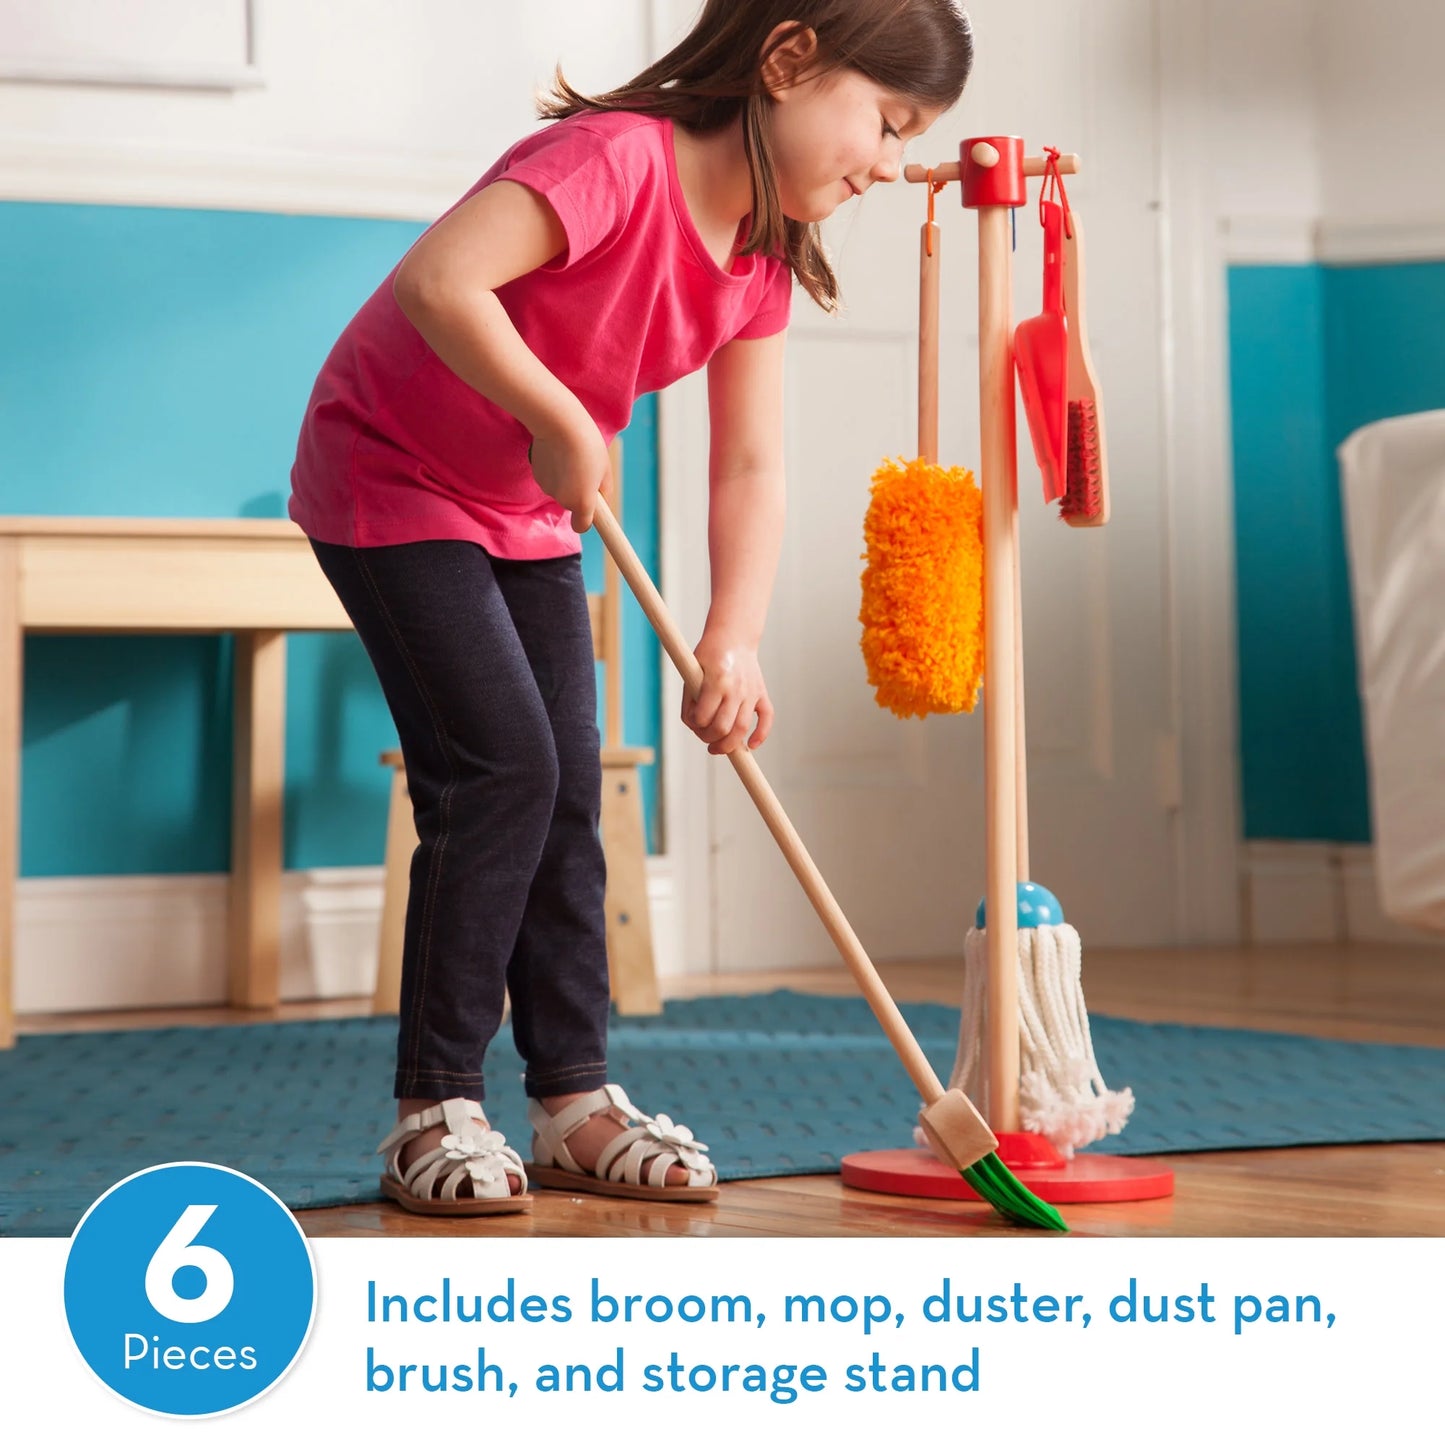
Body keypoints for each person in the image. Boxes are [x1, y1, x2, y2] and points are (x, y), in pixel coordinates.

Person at [289, 0, 975, 1216]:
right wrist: (558, 414)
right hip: (388, 473)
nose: (887, 163)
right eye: (884, 121)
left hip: (529, 508)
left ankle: (572, 1099)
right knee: (499, 768)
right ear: (787, 59)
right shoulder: (612, 160)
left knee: (569, 783)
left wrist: (733, 635)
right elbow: (440, 280)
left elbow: (747, 463)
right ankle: (433, 1104)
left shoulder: (760, 258)